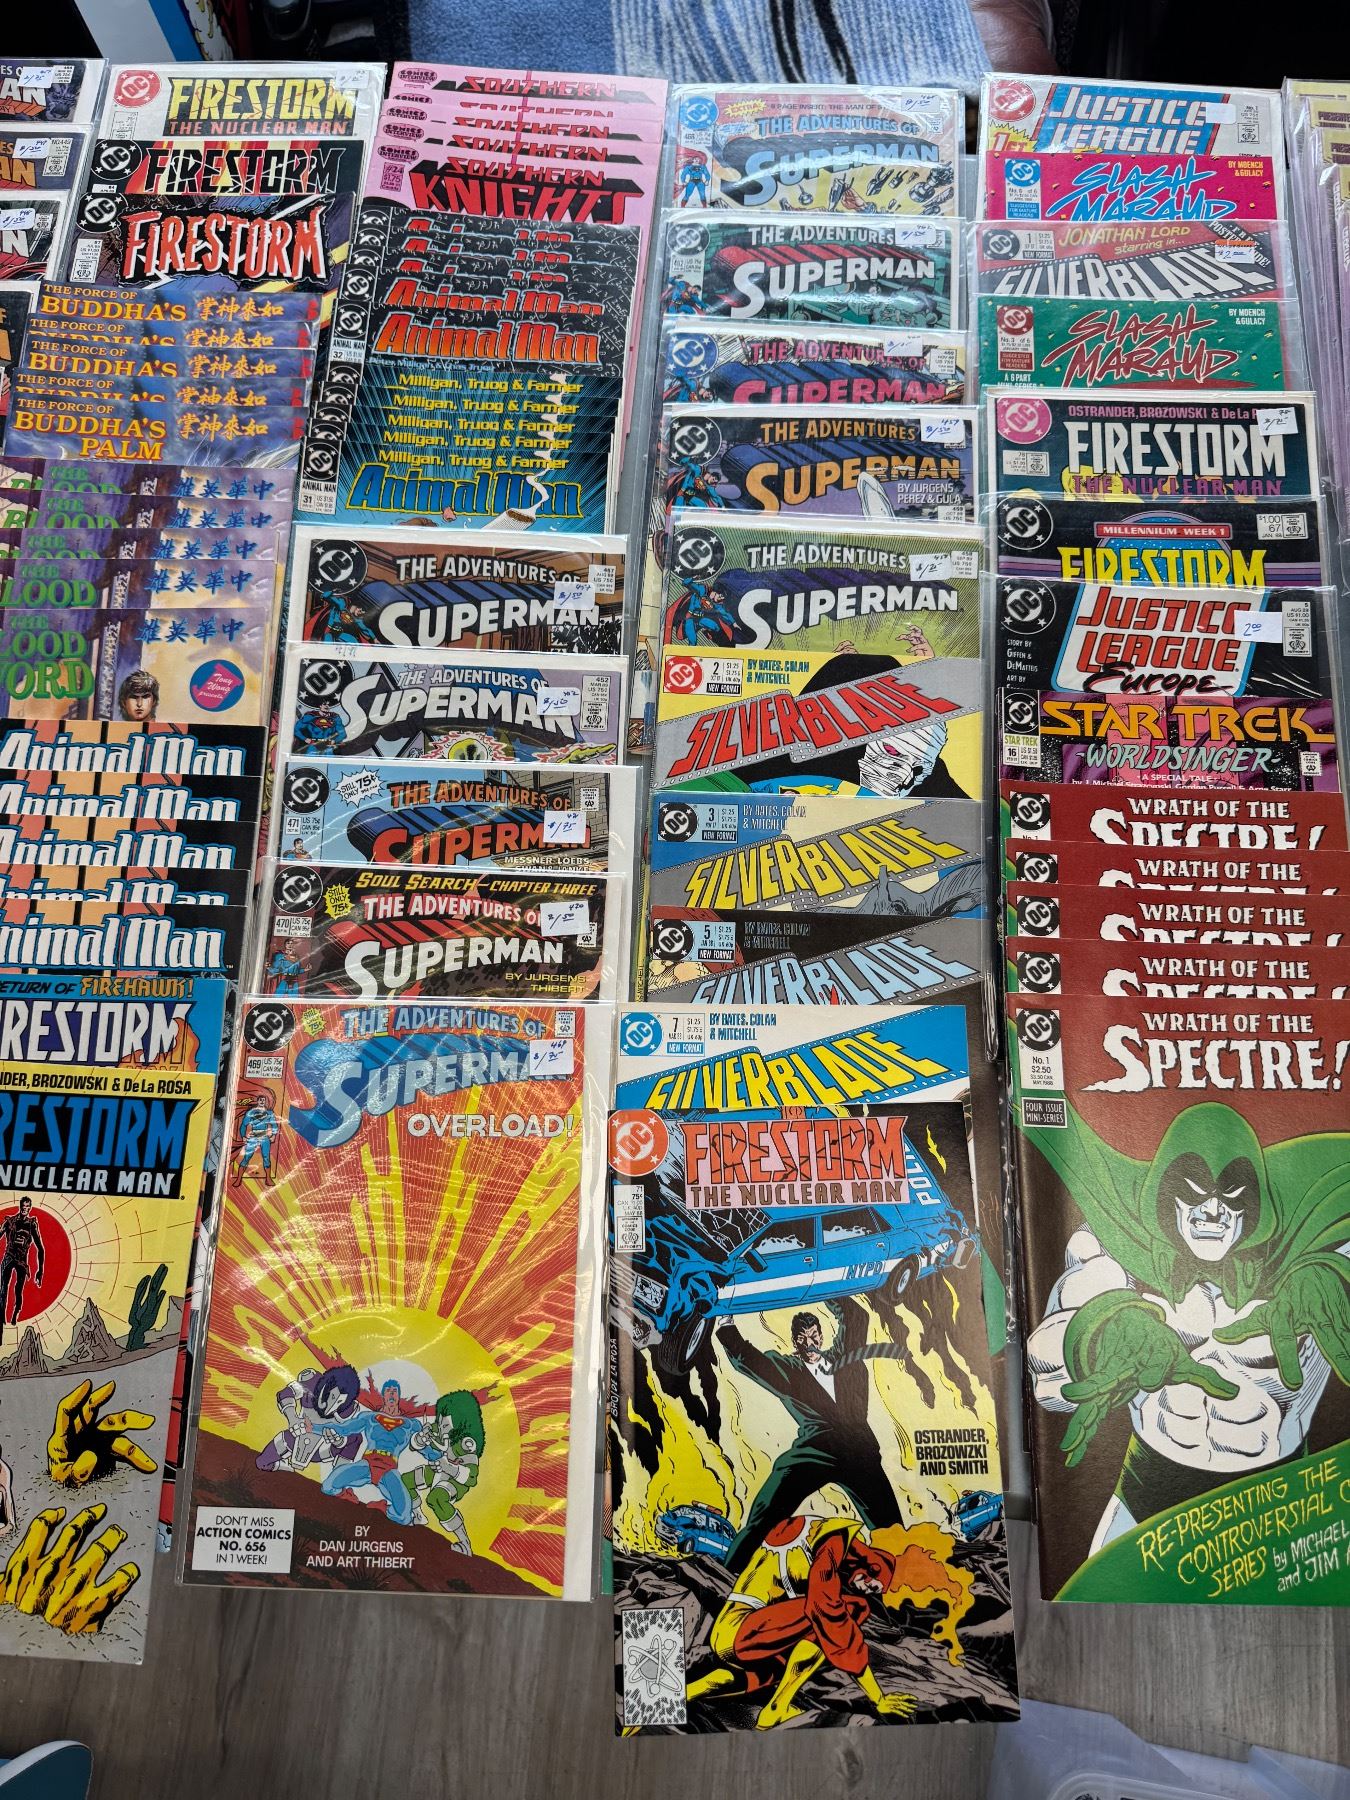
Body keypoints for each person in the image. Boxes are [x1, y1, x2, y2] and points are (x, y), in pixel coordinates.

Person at [720, 1297, 901, 1573]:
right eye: (802, 1339)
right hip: (815, 1451)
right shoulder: (789, 1370)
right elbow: (749, 1361)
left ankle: (904, 1573)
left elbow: (856, 1317)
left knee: (890, 1525)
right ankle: (731, 1571)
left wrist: (825, 1291)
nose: (810, 1343)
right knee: (767, 1512)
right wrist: (726, 1323)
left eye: (814, 1335)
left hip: (859, 1452)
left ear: (821, 1335)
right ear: (795, 1342)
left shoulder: (845, 1356)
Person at [0, 1198, 44, 1342]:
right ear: (20, 1206)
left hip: (21, 1261)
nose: (25, 1208)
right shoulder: (10, 1221)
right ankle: (1, 1320)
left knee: (18, 1290)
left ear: (30, 1208)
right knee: (2, 1291)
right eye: (23, 1206)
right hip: (8, 1257)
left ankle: (14, 1316)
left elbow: (40, 1248)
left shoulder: (32, 1224)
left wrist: (40, 1271)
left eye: (27, 1206)